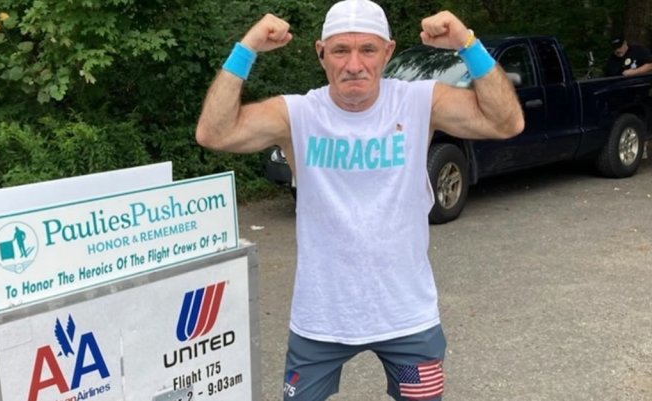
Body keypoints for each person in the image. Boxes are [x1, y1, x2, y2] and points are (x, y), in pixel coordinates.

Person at [196, 1, 524, 400]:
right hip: (320, 320)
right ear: (321, 54)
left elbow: (507, 121)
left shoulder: (418, 102)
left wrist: (467, 43)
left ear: (387, 52)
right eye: (340, 50)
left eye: (367, 49)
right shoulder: (299, 114)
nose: (354, 64)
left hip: (407, 319)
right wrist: (246, 47)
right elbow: (213, 133)